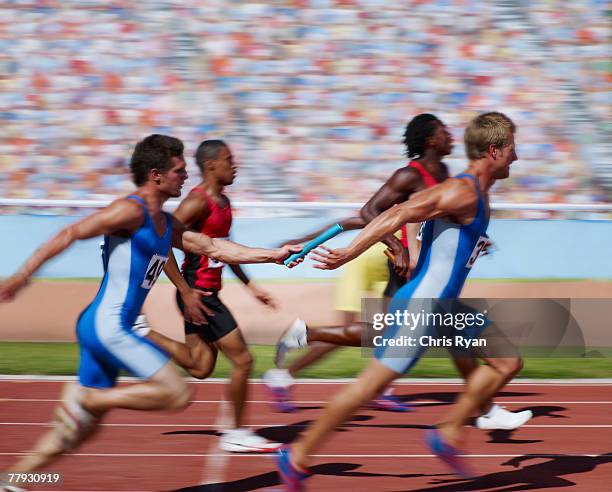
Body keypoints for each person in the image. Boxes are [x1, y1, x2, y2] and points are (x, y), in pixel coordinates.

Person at [0, 134, 301, 484]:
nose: (186, 175)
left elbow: (215, 249)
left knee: (77, 432)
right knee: (176, 392)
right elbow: (70, 233)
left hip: (108, 327)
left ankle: (13, 479)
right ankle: (90, 399)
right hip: (107, 325)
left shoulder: (167, 223)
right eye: (179, 170)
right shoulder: (131, 210)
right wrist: (23, 276)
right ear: (156, 175)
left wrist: (274, 255)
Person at [276, 112, 525, 489]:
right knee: (368, 388)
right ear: (494, 150)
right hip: (421, 308)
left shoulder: (475, 192)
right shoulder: (462, 190)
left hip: (442, 307)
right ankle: (296, 456)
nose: (516, 157)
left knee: (507, 361)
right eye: (512, 149)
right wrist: (351, 251)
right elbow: (398, 211)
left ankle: (449, 433)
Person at [132, 139, 287, 452]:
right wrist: (185, 291)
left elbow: (223, 251)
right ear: (211, 165)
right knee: (243, 360)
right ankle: (238, 432)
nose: (235, 165)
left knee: (200, 368)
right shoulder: (196, 202)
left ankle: (142, 330)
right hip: (199, 295)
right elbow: (162, 243)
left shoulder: (224, 203)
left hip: (206, 293)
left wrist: (251, 286)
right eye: (229, 159)